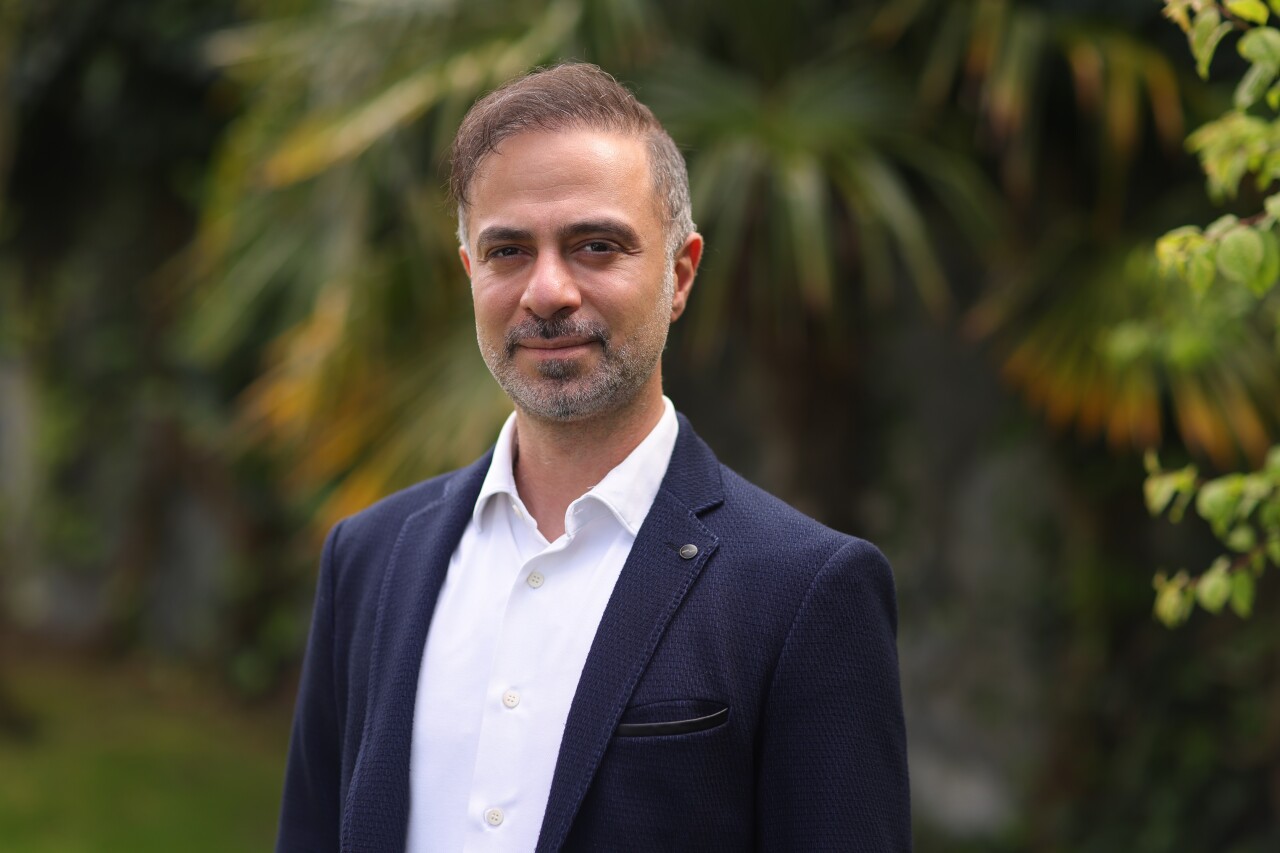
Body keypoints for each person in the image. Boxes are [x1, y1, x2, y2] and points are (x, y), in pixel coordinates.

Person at [276, 63, 911, 852]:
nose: (547, 291)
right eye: (508, 250)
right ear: (471, 272)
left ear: (680, 275)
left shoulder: (805, 590)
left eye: (596, 245)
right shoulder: (368, 557)